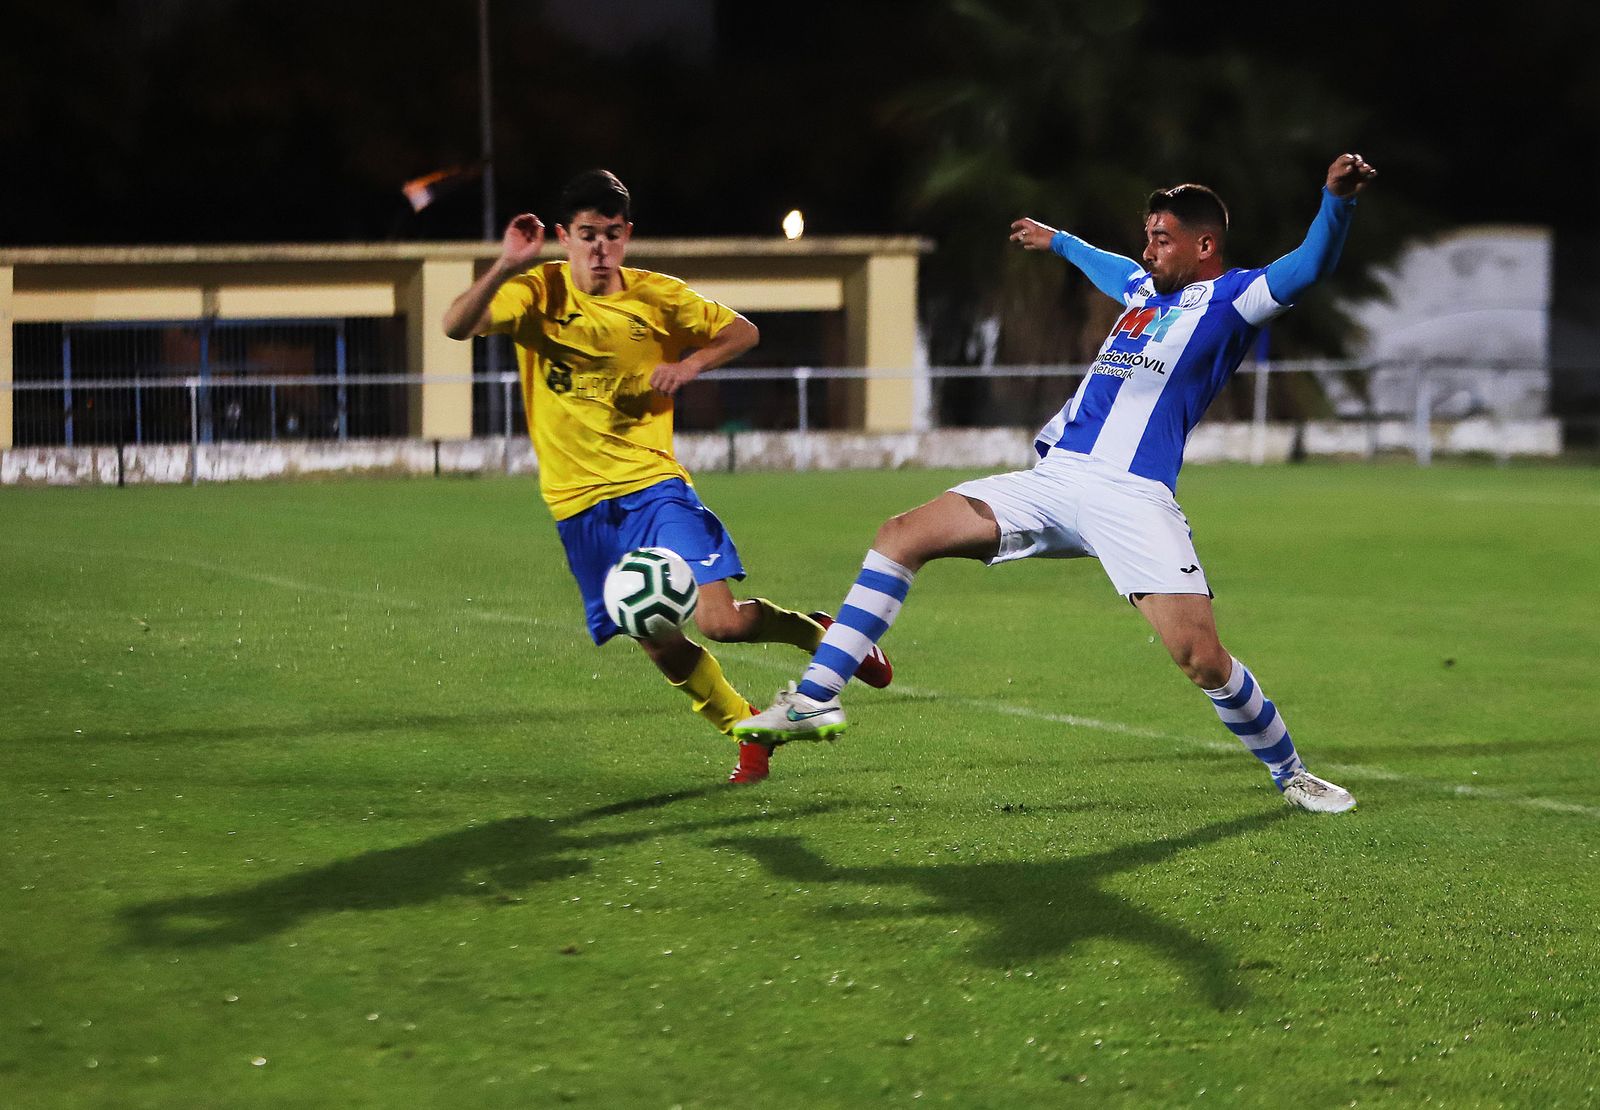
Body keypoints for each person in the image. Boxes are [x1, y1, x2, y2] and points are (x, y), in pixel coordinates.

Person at [735, 153, 1379, 813]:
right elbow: (1111, 267)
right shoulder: (1140, 291)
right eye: (1147, 235)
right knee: (902, 534)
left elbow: (1311, 264)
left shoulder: (1234, 298)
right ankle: (815, 698)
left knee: (1202, 658)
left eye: (1162, 237)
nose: (1147, 249)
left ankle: (1290, 771)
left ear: (1204, 245)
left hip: (1132, 496)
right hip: (1054, 478)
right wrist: (1059, 241)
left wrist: (1338, 202)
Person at [442, 169, 892, 785]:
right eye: (584, 235)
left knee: (720, 622)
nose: (598, 247)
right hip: (578, 508)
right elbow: (455, 325)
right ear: (563, 238)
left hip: (653, 487)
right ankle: (746, 728)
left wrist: (690, 364)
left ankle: (824, 635)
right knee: (657, 639)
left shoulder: (657, 296)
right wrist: (503, 262)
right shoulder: (536, 291)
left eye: (610, 233)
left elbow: (743, 331)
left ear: (626, 235)